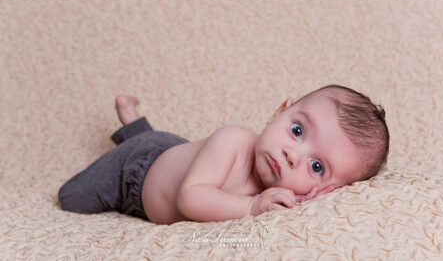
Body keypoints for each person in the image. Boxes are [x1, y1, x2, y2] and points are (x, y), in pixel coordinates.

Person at [58, 84, 389, 224]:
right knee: (71, 197)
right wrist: (251, 205)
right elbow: (190, 198)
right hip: (135, 172)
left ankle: (132, 118)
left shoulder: (286, 194)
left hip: (174, 157)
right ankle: (130, 122)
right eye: (298, 131)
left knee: (167, 147)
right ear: (278, 112)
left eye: (317, 166)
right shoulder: (231, 141)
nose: (292, 155)